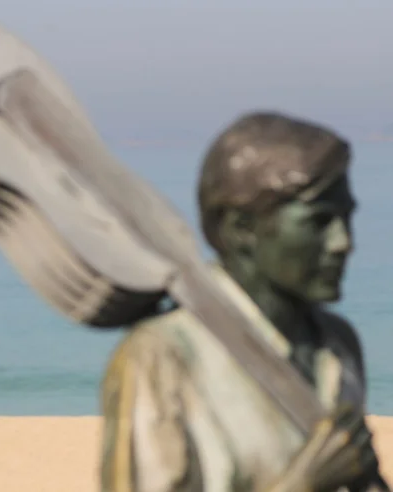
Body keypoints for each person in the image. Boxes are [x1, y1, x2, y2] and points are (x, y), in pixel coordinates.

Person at [100, 113, 387, 491]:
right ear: (240, 229)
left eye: (346, 220)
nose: (342, 243)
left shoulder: (338, 345)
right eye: (319, 222)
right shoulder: (163, 356)